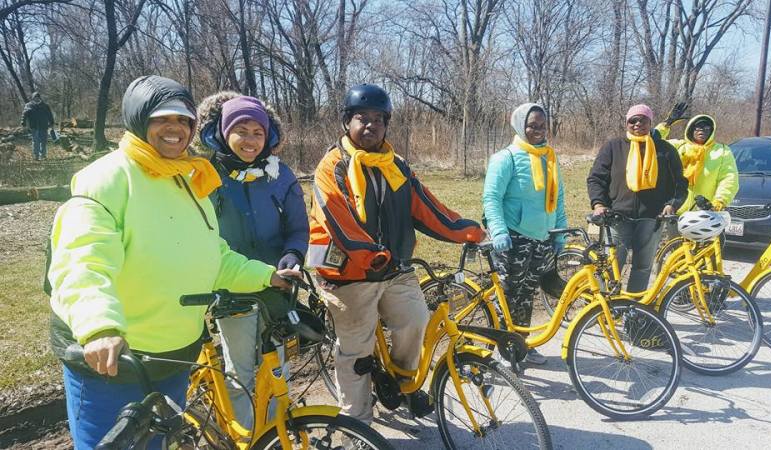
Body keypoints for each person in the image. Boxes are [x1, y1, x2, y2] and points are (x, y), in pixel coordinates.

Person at [47, 75, 298, 450]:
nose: (175, 128)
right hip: (115, 363)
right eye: (162, 118)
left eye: (183, 120)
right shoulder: (107, 178)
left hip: (175, 358)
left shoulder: (187, 181)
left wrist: (267, 276)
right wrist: (99, 326)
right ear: (137, 120)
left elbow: (214, 256)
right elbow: (82, 260)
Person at [308, 84, 484, 424]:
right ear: (347, 122)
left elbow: (429, 210)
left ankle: (405, 385)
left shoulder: (396, 166)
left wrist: (470, 231)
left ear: (387, 124)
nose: (371, 125)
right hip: (345, 271)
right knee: (356, 352)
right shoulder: (331, 167)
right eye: (362, 118)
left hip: (392, 267)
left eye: (379, 119)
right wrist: (371, 255)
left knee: (415, 321)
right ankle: (358, 425)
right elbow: (339, 224)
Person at [196, 92, 309, 429]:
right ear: (222, 132)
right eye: (240, 131)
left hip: (278, 286)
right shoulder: (206, 175)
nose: (250, 140)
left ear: (269, 136)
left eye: (257, 132)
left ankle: (275, 434)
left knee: (277, 366)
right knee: (241, 370)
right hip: (233, 290)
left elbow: (298, 228)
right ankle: (248, 436)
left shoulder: (281, 176)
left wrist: (292, 256)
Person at [482, 102, 567, 365]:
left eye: (542, 126)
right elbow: (491, 197)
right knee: (508, 296)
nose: (538, 130)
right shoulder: (505, 158)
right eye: (532, 125)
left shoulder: (549, 158)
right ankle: (502, 349)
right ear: (520, 126)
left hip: (541, 239)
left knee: (527, 295)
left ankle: (521, 346)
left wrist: (559, 233)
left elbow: (559, 198)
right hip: (512, 239)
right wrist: (498, 231)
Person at [587, 104, 688, 292]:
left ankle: (635, 311)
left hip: (651, 218)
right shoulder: (613, 147)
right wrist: (599, 203)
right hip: (617, 217)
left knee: (642, 267)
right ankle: (608, 309)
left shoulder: (665, 150)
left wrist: (672, 205)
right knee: (612, 266)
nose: (638, 124)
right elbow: (596, 178)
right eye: (633, 120)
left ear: (650, 123)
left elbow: (680, 184)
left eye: (643, 120)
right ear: (627, 123)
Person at [655, 107, 739, 219]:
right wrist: (666, 124)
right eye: (698, 127)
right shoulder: (678, 146)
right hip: (674, 212)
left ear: (711, 131)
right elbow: (652, 142)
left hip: (706, 214)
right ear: (690, 129)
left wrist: (719, 201)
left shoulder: (722, 151)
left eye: (706, 127)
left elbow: (729, 179)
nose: (701, 130)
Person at [20, 91, 55, 160]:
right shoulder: (29, 105)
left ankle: (43, 155)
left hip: (44, 126)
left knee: (43, 141)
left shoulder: (45, 106)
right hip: (34, 126)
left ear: (40, 98)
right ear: (33, 98)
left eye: (38, 97)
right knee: (35, 142)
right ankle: (36, 156)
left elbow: (50, 115)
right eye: (35, 97)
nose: (37, 98)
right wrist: (23, 122)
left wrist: (51, 123)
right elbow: (24, 114)